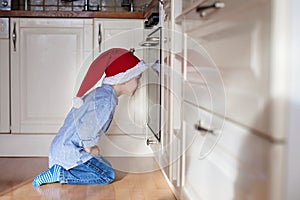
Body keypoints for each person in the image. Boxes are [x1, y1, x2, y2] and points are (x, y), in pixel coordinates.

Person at [32, 48, 148, 187]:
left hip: (61, 149)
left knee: (103, 165)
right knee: (107, 175)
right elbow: (87, 127)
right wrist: (90, 148)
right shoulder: (106, 101)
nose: (139, 83)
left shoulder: (100, 94)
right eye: (137, 78)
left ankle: (61, 169)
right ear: (123, 78)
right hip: (70, 153)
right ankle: (61, 174)